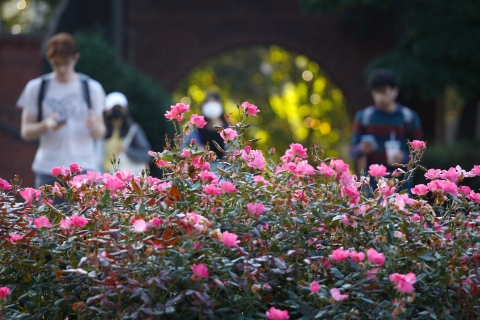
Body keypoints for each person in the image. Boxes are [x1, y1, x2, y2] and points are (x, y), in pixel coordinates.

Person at [17, 32, 106, 189]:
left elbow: (101, 133)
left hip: (84, 168)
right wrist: (46, 125)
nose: (62, 69)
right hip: (49, 169)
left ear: (75, 58)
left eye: (66, 63)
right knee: (48, 214)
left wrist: (94, 125)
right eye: (56, 64)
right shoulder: (37, 87)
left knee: (83, 213)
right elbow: (26, 131)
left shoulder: (92, 88)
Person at [350, 69, 423, 190]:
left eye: (383, 92)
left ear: (394, 91)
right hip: (372, 186)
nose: (379, 97)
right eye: (376, 92)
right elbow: (352, 151)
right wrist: (362, 149)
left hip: (401, 184)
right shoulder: (364, 117)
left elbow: (419, 154)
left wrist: (403, 158)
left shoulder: (408, 118)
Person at [102, 92, 152, 174]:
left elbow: (146, 155)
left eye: (119, 109)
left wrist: (128, 151)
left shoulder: (133, 130)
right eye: (114, 109)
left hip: (125, 180)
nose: (117, 114)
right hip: (104, 177)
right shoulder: (101, 131)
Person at [184, 92, 229, 169]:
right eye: (208, 102)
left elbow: (234, 156)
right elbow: (184, 149)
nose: (211, 105)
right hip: (200, 171)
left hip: (224, 173)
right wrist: (196, 152)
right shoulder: (195, 129)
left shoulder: (230, 130)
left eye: (214, 101)